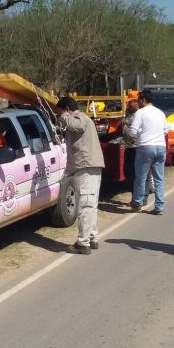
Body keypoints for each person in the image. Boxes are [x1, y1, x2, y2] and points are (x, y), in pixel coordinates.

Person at [53, 96, 105, 255]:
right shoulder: (78, 120)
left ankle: (83, 243)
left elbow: (75, 124)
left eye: (60, 112)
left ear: (67, 109)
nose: (59, 116)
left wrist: (62, 118)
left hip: (86, 168)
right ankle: (91, 237)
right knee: (91, 205)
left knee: (85, 206)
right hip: (88, 167)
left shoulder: (81, 118)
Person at [127, 90, 168, 215]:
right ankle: (159, 207)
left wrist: (138, 135)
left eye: (138, 100)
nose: (137, 102)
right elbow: (166, 130)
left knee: (141, 177)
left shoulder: (140, 112)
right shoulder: (160, 112)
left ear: (143, 100)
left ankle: (137, 203)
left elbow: (132, 132)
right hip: (161, 147)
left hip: (145, 147)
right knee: (159, 179)